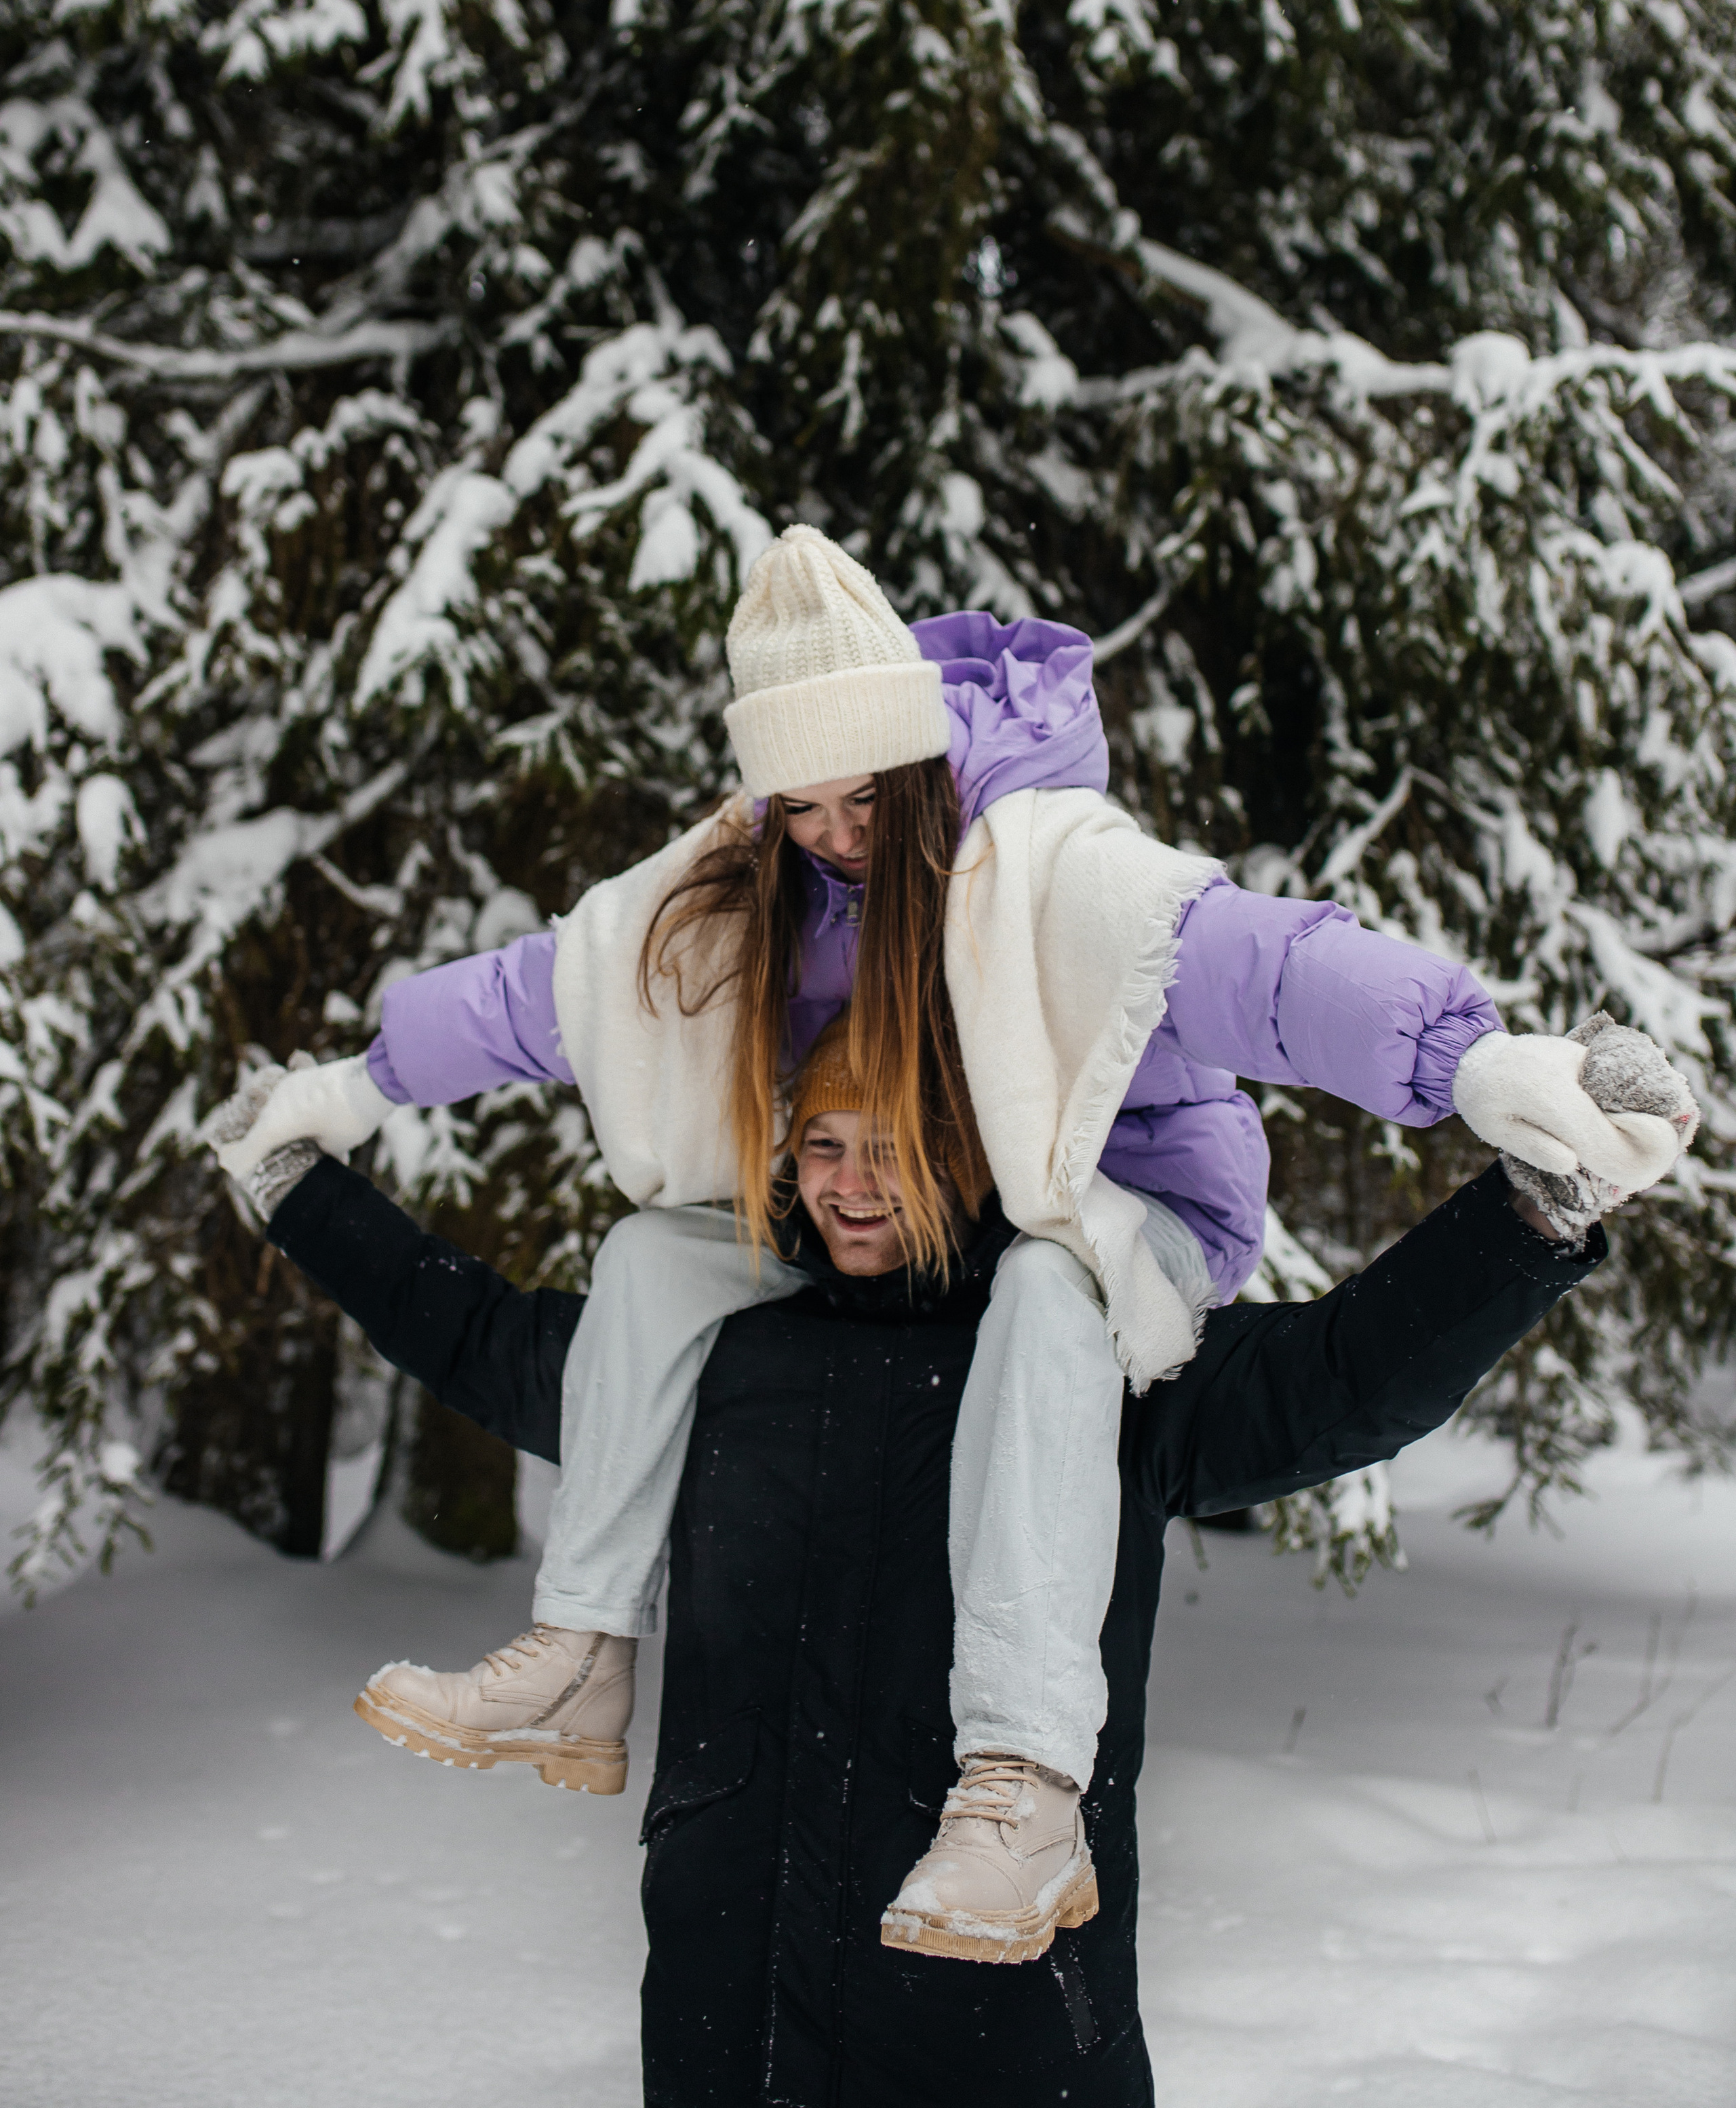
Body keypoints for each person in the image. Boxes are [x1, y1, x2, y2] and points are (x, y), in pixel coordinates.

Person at [214, 526, 1685, 1960]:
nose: (834, 839)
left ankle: (1023, 1785)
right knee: (654, 1256)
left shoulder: (1052, 870)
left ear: (914, 761)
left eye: (859, 800)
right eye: (797, 808)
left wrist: (1476, 1074)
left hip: (1116, 1226)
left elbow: (1274, 972)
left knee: (1047, 1286)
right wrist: (333, 1114)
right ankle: (582, 1656)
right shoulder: (760, 964)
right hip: (758, 1954)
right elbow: (551, 997)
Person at [214, 1011, 1691, 2107]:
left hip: (1000, 2026)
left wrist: (1527, 1215)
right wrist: (296, 1186)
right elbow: (478, 1335)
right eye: (826, 1145)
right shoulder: (702, 1354)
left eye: (900, 1149)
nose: (856, 1187)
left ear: (973, 1155)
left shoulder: (1098, 1367)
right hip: (731, 2008)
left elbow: (1339, 1376)